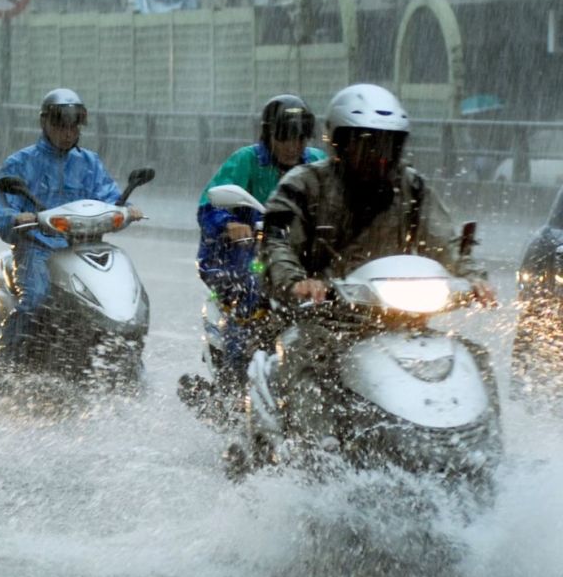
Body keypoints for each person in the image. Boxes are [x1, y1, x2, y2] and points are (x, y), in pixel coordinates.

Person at [259, 83, 495, 440]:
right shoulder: (305, 185)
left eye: (387, 144)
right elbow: (277, 241)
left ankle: (484, 450)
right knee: (303, 361)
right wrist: (297, 281)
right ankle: (312, 454)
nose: (376, 154)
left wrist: (471, 276)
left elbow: (445, 241)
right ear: (340, 143)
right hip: (328, 317)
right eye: (365, 143)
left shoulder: (412, 187)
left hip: (400, 318)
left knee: (474, 356)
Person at [0, 88, 142, 370]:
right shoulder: (21, 163)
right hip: (38, 249)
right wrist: (15, 218)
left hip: (83, 248)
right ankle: (6, 365)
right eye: (61, 125)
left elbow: (109, 195)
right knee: (35, 298)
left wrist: (126, 210)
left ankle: (128, 362)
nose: (68, 133)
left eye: (74, 126)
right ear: (44, 123)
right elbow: (1, 207)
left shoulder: (89, 163)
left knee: (120, 297)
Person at [193, 95, 326, 384]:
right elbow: (209, 206)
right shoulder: (246, 161)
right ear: (268, 135)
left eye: (300, 137)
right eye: (285, 136)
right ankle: (234, 379)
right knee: (251, 292)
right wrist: (230, 225)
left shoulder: (317, 163)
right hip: (242, 256)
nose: (294, 145)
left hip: (299, 256)